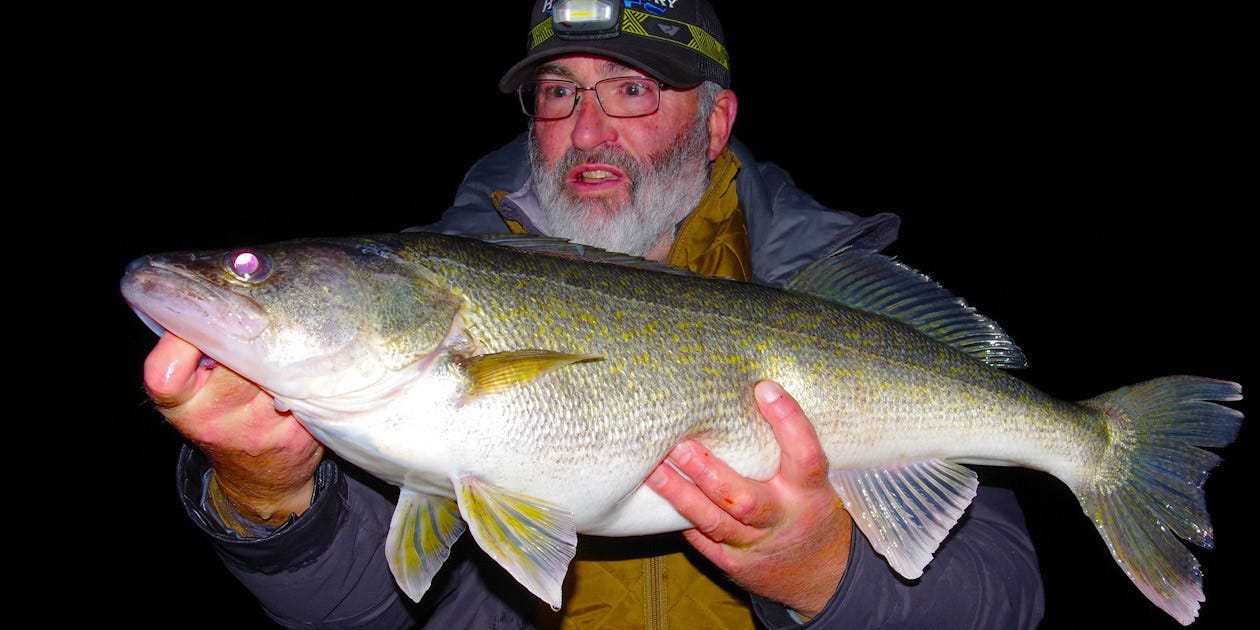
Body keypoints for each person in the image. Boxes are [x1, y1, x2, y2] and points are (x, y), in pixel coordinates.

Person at [142, 1, 1045, 627]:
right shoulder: (408, 327)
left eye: (631, 89)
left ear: (717, 120)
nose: (589, 127)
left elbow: (1005, 603)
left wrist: (821, 572)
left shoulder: (821, 282)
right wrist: (267, 494)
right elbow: (363, 613)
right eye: (560, 92)